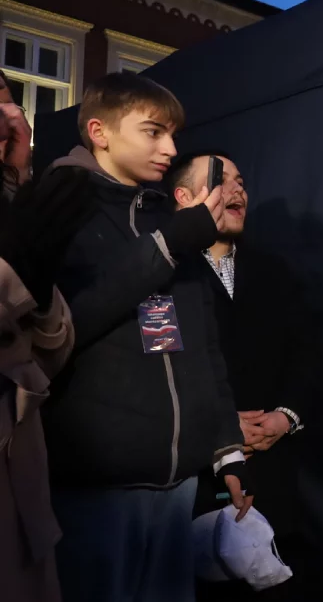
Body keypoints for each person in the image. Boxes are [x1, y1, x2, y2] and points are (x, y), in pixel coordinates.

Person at [40, 73, 251, 602]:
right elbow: (64, 324)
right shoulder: (58, 205)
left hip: (176, 485)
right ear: (100, 132)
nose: (171, 148)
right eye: (154, 132)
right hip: (97, 487)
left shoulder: (163, 216)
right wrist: (169, 243)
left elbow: (197, 343)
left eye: (172, 134)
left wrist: (226, 449)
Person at [165, 152, 317, 601]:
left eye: (241, 182)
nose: (237, 190)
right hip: (192, 486)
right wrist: (220, 429)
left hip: (273, 482)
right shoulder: (163, 274)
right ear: (184, 197)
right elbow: (161, 368)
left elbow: (309, 356)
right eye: (220, 179)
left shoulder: (277, 271)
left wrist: (285, 417)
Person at [0, 94, 92, 602]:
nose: (11, 120)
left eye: (8, 104)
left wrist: (17, 184)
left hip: (22, 505)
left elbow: (52, 353)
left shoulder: (16, 211)